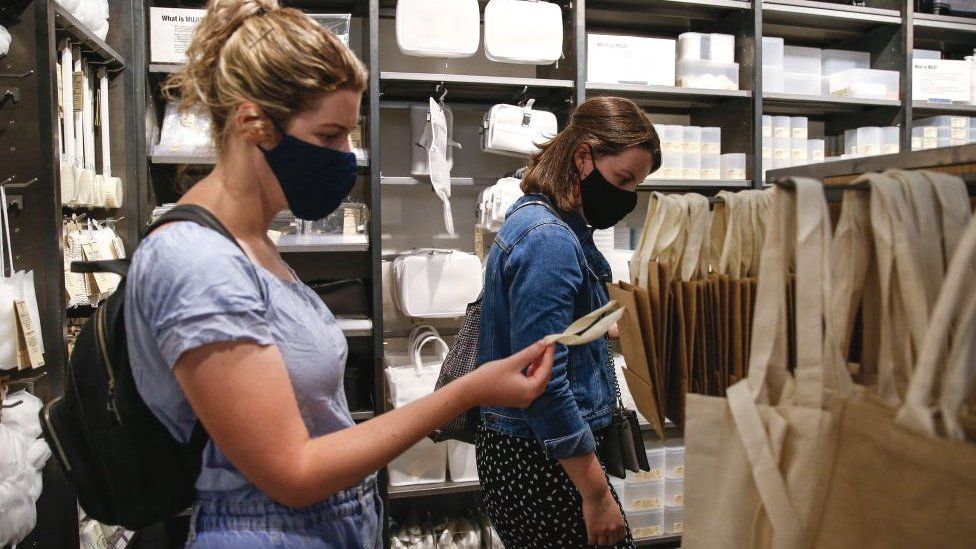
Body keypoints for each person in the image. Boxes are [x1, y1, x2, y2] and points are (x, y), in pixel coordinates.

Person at [125, 1, 555, 547]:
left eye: (348, 136)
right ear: (253, 122)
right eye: (330, 136)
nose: (345, 156)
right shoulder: (198, 262)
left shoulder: (257, 244)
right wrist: (467, 391)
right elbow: (295, 472)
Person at [476, 97, 661, 549]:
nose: (627, 196)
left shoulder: (548, 220)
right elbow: (543, 383)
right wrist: (597, 495)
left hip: (534, 451)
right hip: (540, 456)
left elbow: (560, 328)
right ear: (584, 157)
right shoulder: (551, 241)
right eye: (623, 179)